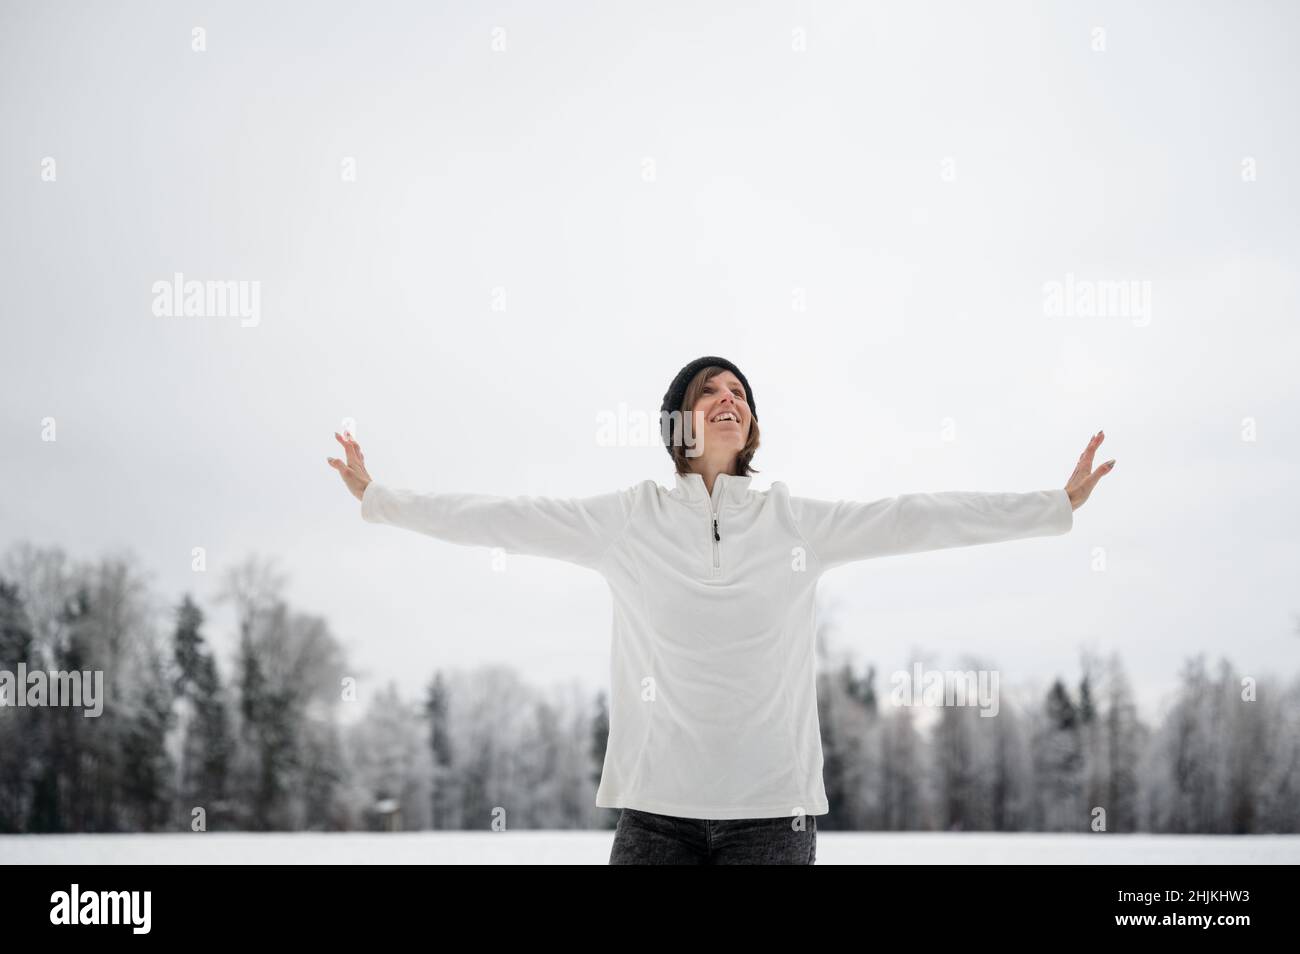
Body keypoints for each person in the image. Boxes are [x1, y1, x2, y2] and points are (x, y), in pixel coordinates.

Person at [326, 355, 1115, 864]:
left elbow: (915, 515)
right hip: (655, 822)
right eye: (709, 392)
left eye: (738, 392)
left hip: (775, 821)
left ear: (753, 426)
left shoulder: (794, 522)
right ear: (678, 423)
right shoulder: (627, 519)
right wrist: (382, 499)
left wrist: (1053, 504)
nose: (727, 398)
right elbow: (506, 517)